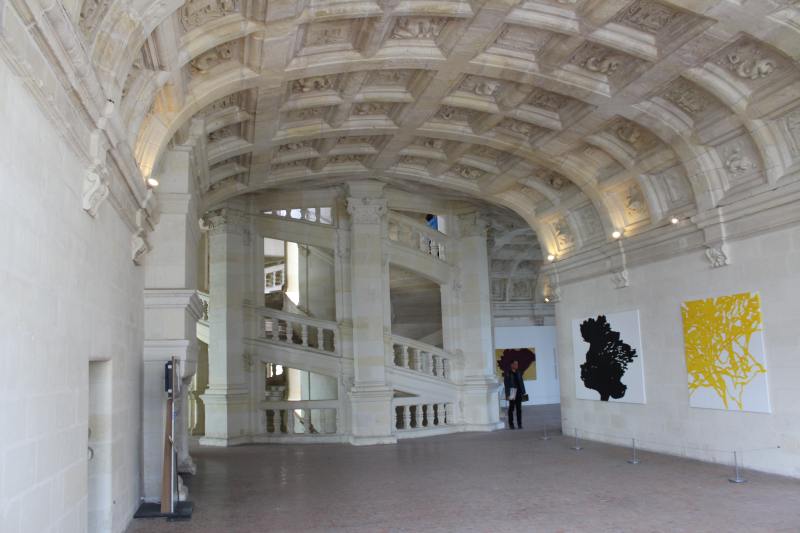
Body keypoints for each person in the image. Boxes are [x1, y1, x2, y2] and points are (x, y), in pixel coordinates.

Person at [504, 360, 526, 429]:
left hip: (519, 392)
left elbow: (521, 382)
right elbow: (506, 385)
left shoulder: (519, 373)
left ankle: (519, 424)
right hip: (512, 392)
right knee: (511, 409)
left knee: (519, 409)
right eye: (515, 364)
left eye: (517, 364)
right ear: (511, 365)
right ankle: (511, 424)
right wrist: (507, 394)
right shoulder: (508, 373)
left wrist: (523, 391)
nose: (517, 365)